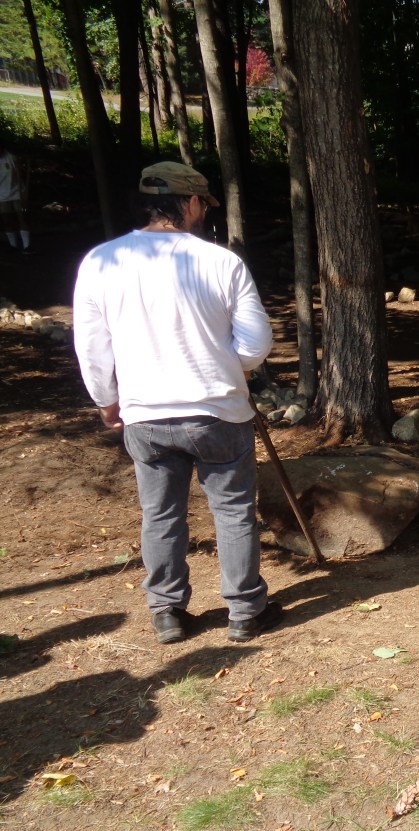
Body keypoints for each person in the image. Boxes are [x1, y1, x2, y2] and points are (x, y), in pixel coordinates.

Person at [73, 161, 280, 645]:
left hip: (145, 413)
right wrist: (231, 366)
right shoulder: (220, 262)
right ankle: (245, 612)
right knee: (232, 510)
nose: (203, 213)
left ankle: (167, 611)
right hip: (217, 410)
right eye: (203, 204)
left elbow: (92, 346)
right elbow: (256, 342)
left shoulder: (101, 262)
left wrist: (106, 400)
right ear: (189, 203)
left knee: (161, 514)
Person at [0, 141, 30, 253]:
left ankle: (27, 245)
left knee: (22, 217)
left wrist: (22, 194)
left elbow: (18, 174)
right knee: (6, 219)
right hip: (2, 194)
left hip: (17, 191)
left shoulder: (11, 157)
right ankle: (13, 246)